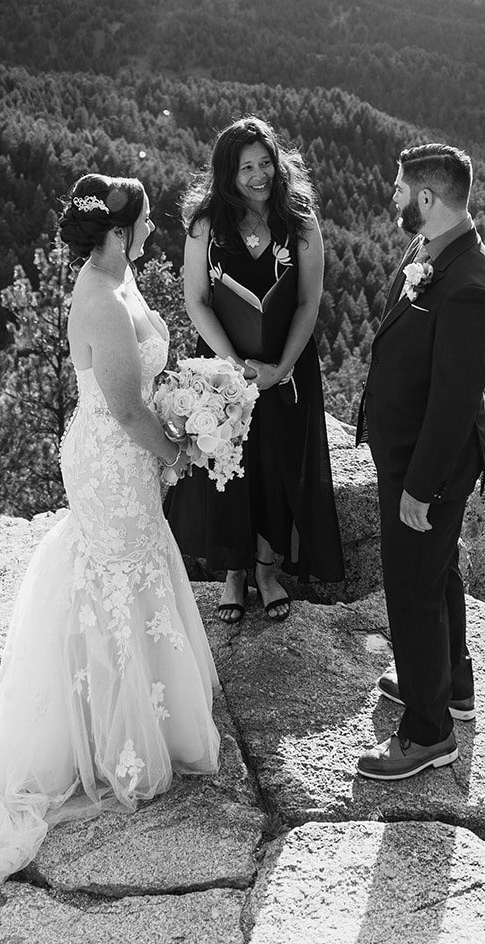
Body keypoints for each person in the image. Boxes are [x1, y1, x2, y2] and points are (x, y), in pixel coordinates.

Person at [0, 174, 220, 926]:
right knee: (116, 570)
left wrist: (189, 406)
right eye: (147, 221)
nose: (154, 230)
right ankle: (104, 734)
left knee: (134, 566)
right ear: (119, 231)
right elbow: (122, 407)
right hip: (114, 459)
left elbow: (143, 390)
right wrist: (178, 448)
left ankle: (137, 711)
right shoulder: (103, 299)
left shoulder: (120, 280)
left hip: (127, 459)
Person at [355, 143, 485, 782]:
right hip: (407, 452)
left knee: (412, 587)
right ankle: (452, 684)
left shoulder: (469, 285)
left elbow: (452, 405)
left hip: (428, 464)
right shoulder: (432, 254)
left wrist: (419, 487)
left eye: (398, 190)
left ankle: (427, 730)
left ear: (426, 199)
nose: (391, 199)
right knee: (437, 573)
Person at [165, 116, 344, 621]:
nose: (260, 175)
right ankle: (234, 572)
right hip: (224, 370)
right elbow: (197, 301)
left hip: (288, 369)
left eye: (266, 163)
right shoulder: (206, 224)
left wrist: (281, 367)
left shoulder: (300, 220)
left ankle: (266, 570)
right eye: (247, 168)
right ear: (228, 172)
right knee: (229, 465)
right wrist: (232, 367)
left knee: (277, 462)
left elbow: (309, 301)